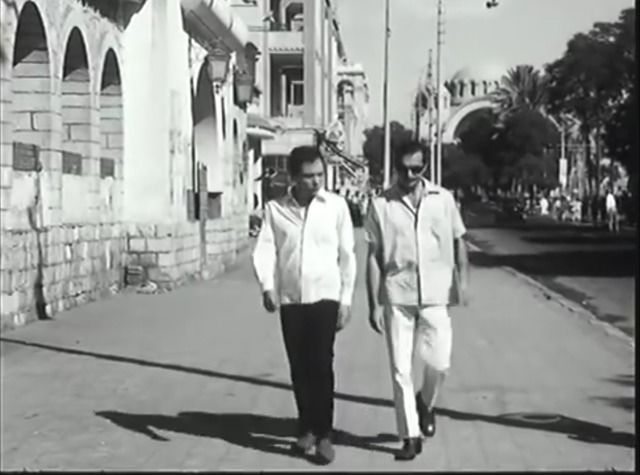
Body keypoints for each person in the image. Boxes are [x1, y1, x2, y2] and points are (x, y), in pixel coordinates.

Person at [364, 141, 469, 461]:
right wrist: (374, 303)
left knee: (440, 363)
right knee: (401, 368)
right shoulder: (381, 205)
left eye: (416, 169)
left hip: (436, 293)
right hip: (398, 292)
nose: (410, 175)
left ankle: (426, 402)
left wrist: (463, 282)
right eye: (404, 169)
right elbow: (373, 255)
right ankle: (410, 435)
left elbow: (459, 240)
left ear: (425, 167)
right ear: (395, 168)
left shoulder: (443, 199)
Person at [251, 145, 357, 465]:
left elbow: (347, 255)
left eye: (320, 175)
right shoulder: (276, 209)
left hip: (326, 296)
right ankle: (306, 426)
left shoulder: (335, 206)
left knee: (321, 364)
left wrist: (346, 300)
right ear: (294, 178)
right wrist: (267, 286)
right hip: (292, 299)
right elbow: (265, 248)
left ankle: (324, 433)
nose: (316, 181)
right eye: (309, 176)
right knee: (299, 366)